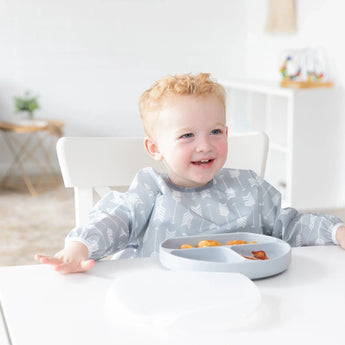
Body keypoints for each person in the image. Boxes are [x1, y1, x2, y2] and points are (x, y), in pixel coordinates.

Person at [35, 73, 345, 273]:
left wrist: (335, 231)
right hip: (163, 301)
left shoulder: (248, 188)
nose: (205, 146)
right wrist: (79, 247)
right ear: (155, 148)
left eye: (215, 131)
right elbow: (114, 220)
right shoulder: (151, 189)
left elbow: (291, 226)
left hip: (243, 299)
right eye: (187, 136)